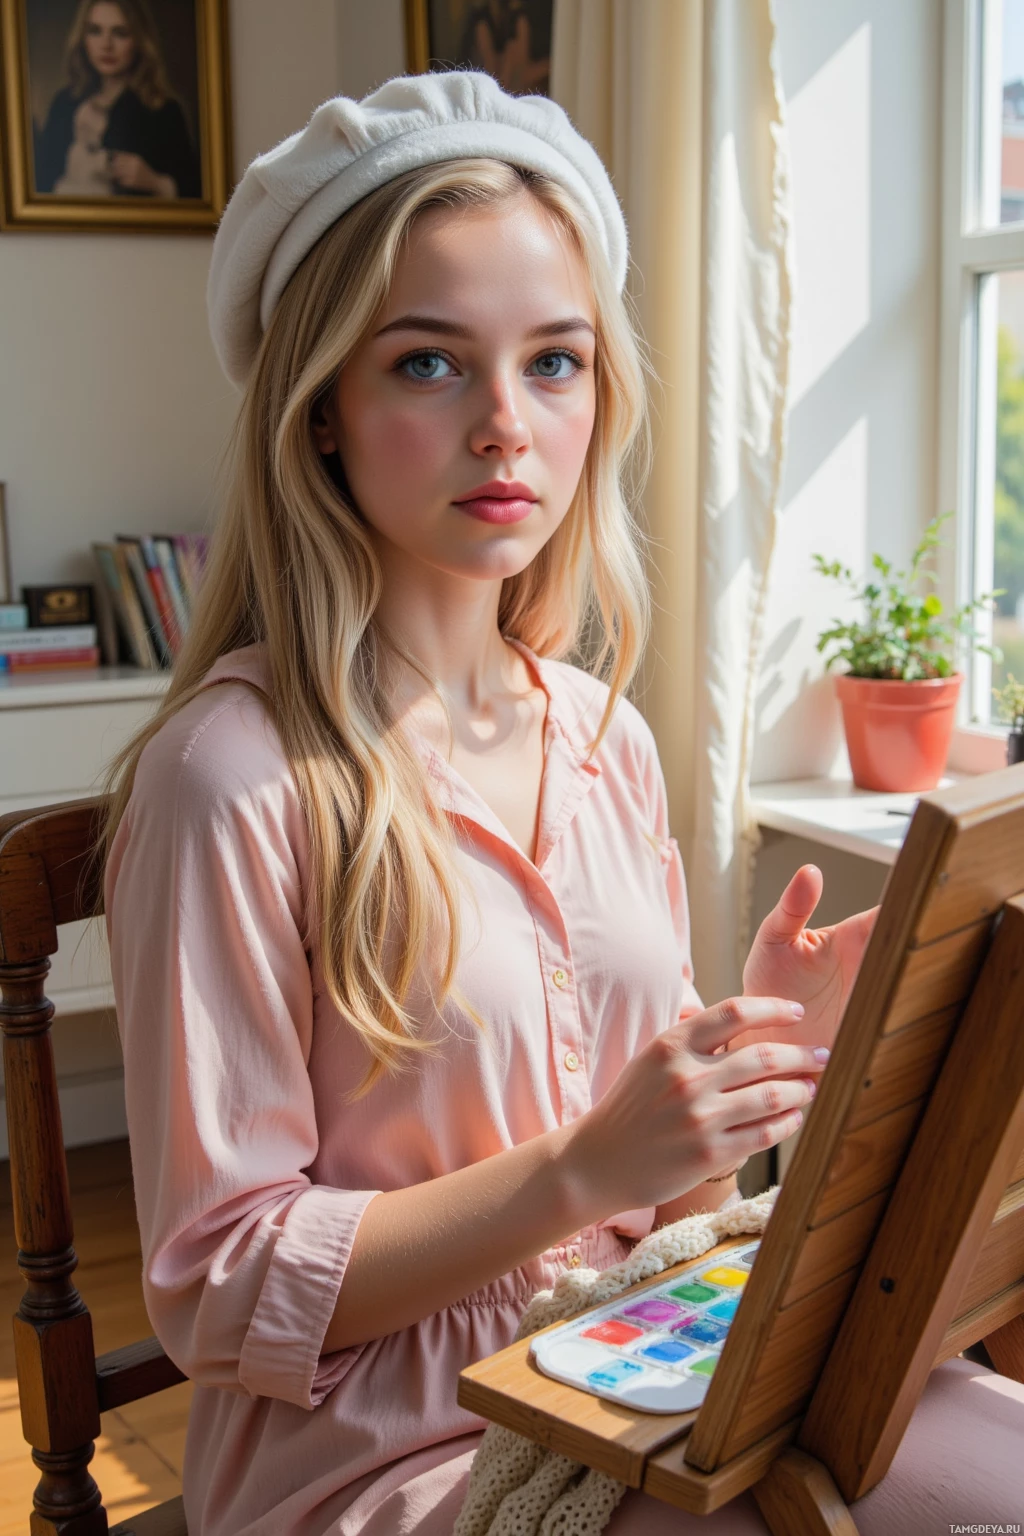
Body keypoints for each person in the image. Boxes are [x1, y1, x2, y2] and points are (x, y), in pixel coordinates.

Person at [101, 72, 1024, 1536]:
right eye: (426, 364)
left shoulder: (603, 734)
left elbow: (644, 1194)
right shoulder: (233, 779)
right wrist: (587, 1165)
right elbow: (219, 1290)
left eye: (555, 362)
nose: (505, 426)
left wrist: (763, 1044)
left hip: (637, 1361)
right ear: (321, 408)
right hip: (379, 1457)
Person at [34, 0, 200, 199]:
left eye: (120, 33)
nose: (106, 45)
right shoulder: (65, 104)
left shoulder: (163, 111)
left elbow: (199, 194)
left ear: (139, 40)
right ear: (83, 38)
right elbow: (41, 185)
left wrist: (155, 181)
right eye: (95, 31)